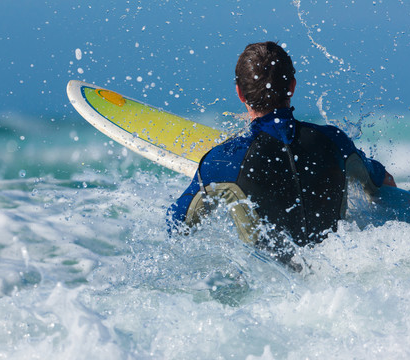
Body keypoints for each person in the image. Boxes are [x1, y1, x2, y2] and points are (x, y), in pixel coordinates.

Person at [168, 41, 396, 266]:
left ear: (239, 93)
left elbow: (176, 227)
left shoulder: (223, 159)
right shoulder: (335, 141)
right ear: (292, 87)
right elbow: (385, 182)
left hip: (270, 293)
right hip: (334, 281)